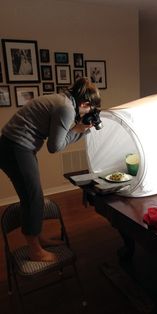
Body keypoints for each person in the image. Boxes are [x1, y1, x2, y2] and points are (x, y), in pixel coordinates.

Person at [0, 77, 101, 262]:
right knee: (33, 197)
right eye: (89, 109)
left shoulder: (62, 99)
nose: (88, 112)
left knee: (31, 195)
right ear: (85, 103)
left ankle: (37, 237)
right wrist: (79, 129)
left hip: (16, 146)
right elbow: (55, 147)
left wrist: (79, 129)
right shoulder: (66, 108)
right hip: (15, 148)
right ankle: (34, 250)